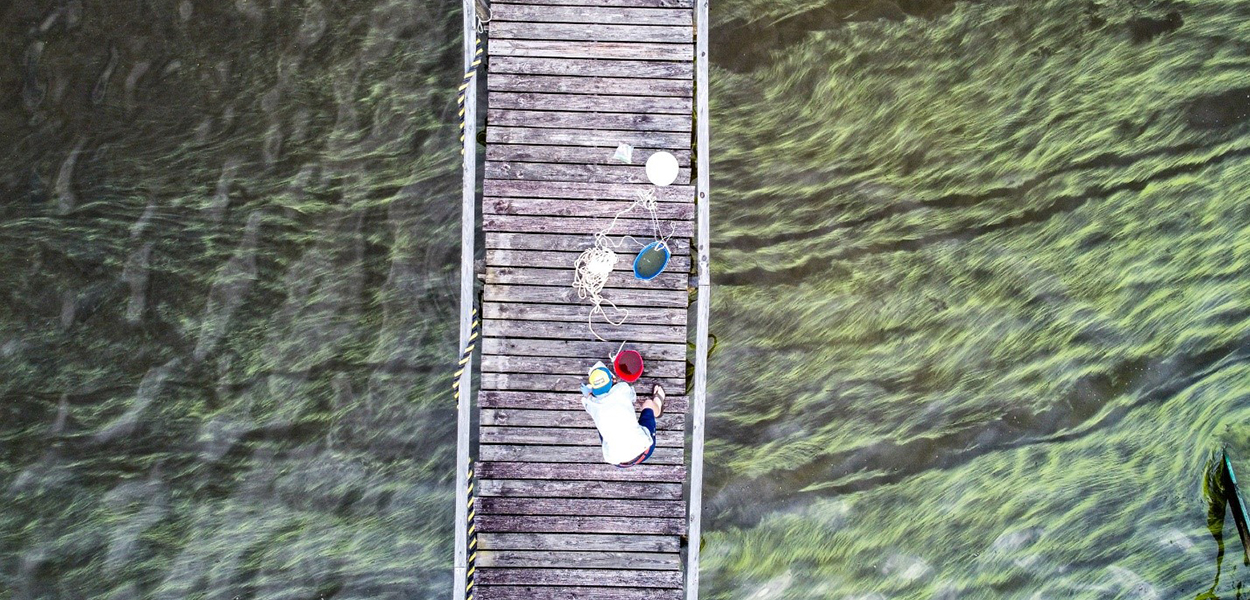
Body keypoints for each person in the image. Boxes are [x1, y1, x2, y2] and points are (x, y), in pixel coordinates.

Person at [580, 362, 665, 467]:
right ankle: (657, 406)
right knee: (648, 404)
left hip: (619, 462)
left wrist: (588, 395)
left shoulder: (592, 404)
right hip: (645, 450)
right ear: (613, 379)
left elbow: (587, 402)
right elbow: (633, 398)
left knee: (604, 423)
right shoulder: (622, 388)